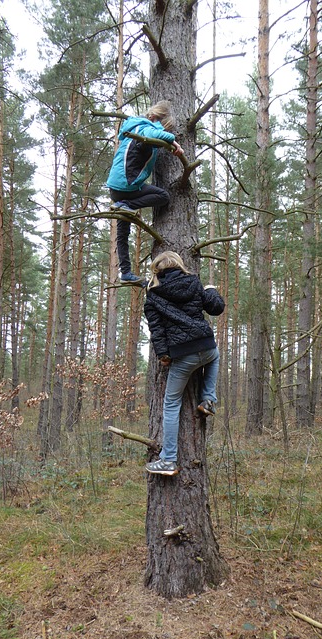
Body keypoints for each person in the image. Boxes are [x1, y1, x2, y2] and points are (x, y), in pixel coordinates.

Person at [143, 251, 225, 476]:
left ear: (157, 271)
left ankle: (168, 460)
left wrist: (163, 355)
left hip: (184, 355)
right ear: (179, 265)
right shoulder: (194, 283)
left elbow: (157, 330)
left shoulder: (153, 295)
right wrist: (210, 289)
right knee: (215, 355)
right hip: (207, 346)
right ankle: (208, 399)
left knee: (170, 404)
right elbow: (216, 308)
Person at [106, 101, 184, 283]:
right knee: (163, 196)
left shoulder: (134, 126)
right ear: (157, 118)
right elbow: (154, 134)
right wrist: (173, 142)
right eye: (165, 126)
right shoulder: (144, 127)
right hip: (127, 185)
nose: (165, 129)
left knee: (123, 231)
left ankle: (125, 273)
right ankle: (125, 205)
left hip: (117, 188)